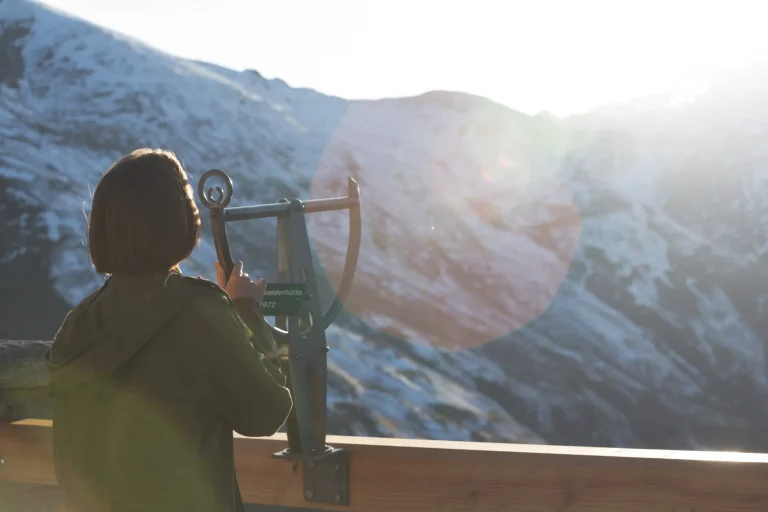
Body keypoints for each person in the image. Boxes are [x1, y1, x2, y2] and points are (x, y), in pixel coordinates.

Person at [45, 148, 293, 512]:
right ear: (180, 221)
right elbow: (267, 413)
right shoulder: (197, 312)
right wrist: (246, 311)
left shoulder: (77, 324)